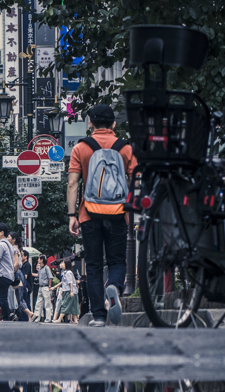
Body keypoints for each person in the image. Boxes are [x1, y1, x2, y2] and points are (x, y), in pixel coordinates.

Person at [68, 103, 137, 327]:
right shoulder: (125, 148)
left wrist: (72, 215)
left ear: (90, 123)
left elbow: (72, 183)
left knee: (95, 265)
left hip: (89, 214)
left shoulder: (81, 147)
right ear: (114, 124)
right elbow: (133, 182)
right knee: (118, 260)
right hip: (118, 213)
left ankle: (98, 316)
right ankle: (115, 286)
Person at [34, 255, 54, 322]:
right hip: (40, 287)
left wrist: (49, 286)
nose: (38, 260)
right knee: (38, 303)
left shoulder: (47, 268)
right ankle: (37, 317)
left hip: (45, 287)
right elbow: (38, 275)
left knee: (47, 304)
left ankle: (48, 319)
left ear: (42, 260)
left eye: (39, 259)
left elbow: (50, 277)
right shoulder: (40, 268)